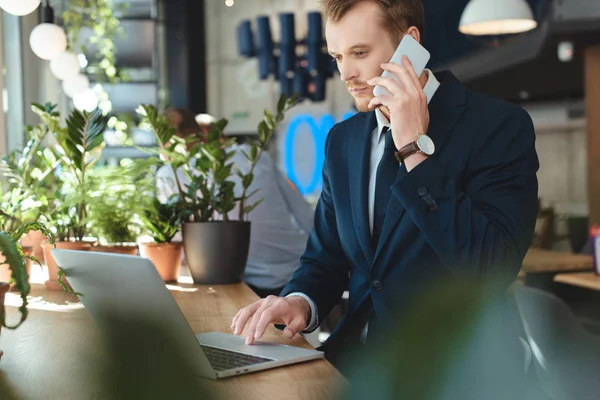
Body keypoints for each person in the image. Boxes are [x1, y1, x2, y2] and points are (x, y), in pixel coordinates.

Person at [231, 0, 539, 372]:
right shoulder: (343, 140)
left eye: (360, 52)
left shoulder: (497, 126)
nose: (346, 73)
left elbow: (492, 267)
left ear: (410, 45)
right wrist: (300, 300)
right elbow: (325, 258)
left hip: (457, 371)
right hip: (355, 363)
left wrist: (414, 151)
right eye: (337, 56)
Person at [156, 108, 315, 298]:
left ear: (165, 142)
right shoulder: (253, 156)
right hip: (298, 274)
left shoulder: (170, 175)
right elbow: (305, 214)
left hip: (237, 285)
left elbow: (177, 253)